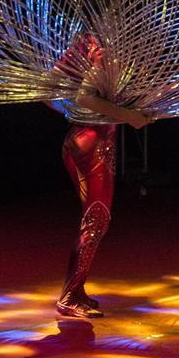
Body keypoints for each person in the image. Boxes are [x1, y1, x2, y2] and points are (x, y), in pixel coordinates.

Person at [47, 34, 151, 318]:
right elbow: (84, 96)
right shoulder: (104, 48)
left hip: (84, 140)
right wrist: (127, 116)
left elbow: (47, 89)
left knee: (96, 221)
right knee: (96, 221)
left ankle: (76, 291)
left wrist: (74, 113)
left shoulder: (86, 42)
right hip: (92, 146)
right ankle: (69, 297)